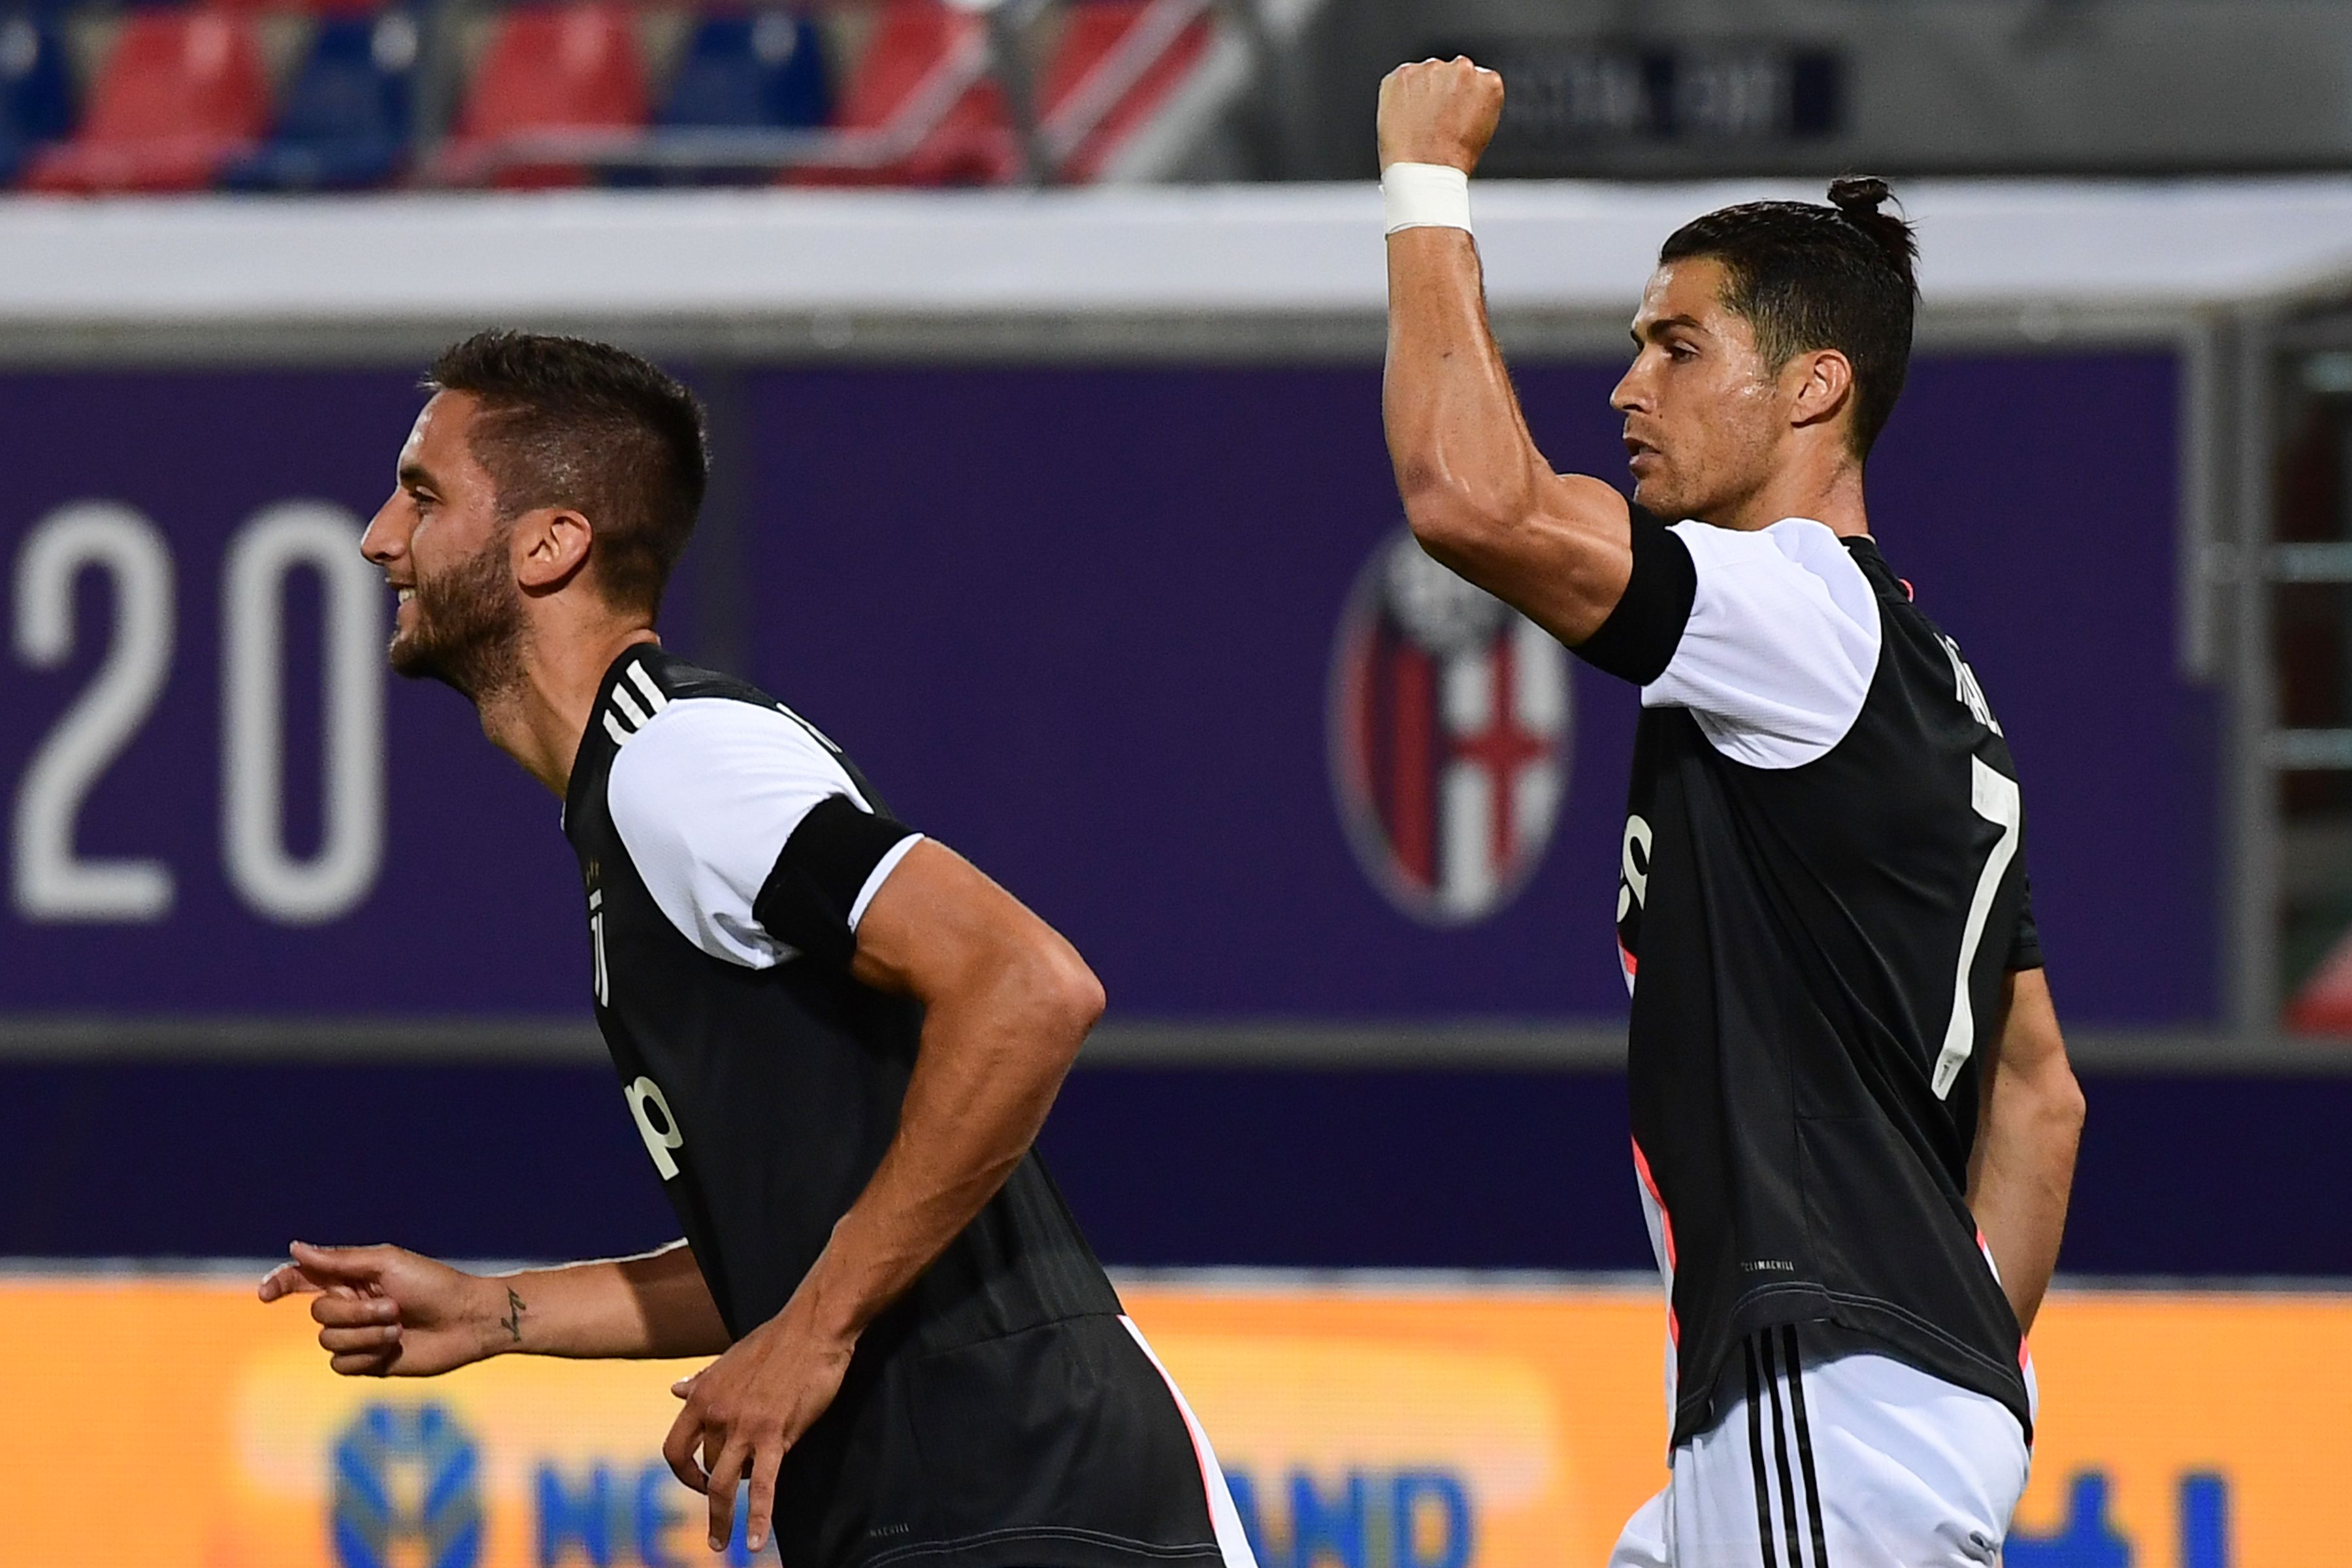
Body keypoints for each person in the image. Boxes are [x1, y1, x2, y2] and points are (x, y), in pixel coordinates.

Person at [258, 331, 1254, 1568]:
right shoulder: (639, 789)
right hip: (950, 1498)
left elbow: (1031, 986)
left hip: (1030, 1483)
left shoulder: (680, 760)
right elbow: (795, 1248)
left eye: (421, 495)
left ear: (549, 544)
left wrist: (816, 1332)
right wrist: (500, 1313)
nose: (378, 540)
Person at [1377, 59, 2087, 1567]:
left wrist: (1424, 177)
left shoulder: (1796, 611)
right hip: (1868, 1401)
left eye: (1677, 348)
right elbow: (2039, 1100)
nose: (1629, 388)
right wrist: (1961, 1373)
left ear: (1814, 385)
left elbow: (1472, 502)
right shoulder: (1932, 684)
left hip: (1818, 1384)